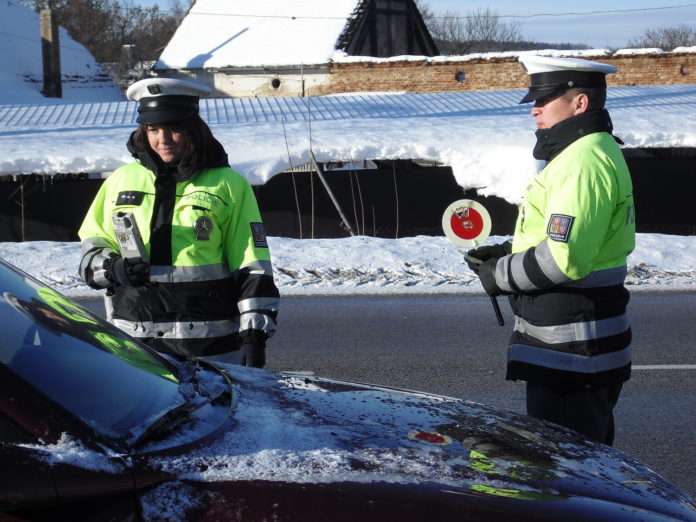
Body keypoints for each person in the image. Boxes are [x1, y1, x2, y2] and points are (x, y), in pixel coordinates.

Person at [466, 55, 635, 445]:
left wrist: (498, 274)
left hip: (570, 356)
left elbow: (564, 259)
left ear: (580, 103)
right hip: (576, 347)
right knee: (585, 463)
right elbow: (570, 238)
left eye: (545, 99)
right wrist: (508, 251)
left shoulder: (582, 162)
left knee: (566, 469)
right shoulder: (585, 151)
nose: (535, 109)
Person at [78, 77, 279, 368]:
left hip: (211, 350)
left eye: (173, 128)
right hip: (138, 351)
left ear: (192, 129)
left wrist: (254, 336)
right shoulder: (120, 181)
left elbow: (253, 264)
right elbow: (92, 249)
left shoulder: (229, 184)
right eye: (153, 129)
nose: (163, 139)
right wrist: (113, 269)